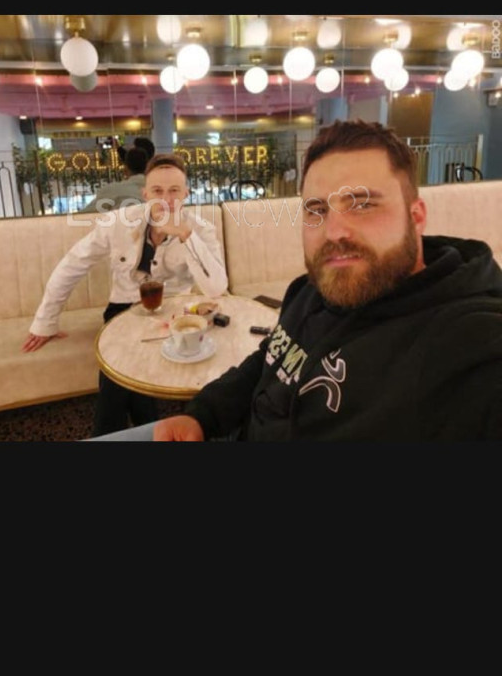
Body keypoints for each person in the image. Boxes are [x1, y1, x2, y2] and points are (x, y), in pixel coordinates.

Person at [131, 119, 501, 442]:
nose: (334, 231)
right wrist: (202, 415)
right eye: (317, 209)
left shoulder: (468, 344)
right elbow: (271, 359)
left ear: (416, 217)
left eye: (362, 204)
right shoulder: (309, 290)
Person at [22, 154, 228, 434]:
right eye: (157, 191)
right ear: (145, 194)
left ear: (186, 194)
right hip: (123, 309)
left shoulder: (201, 230)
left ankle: (127, 432)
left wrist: (186, 236)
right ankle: (135, 429)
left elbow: (216, 288)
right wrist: (45, 322)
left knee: (126, 370)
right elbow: (73, 264)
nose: (166, 199)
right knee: (118, 367)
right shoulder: (117, 222)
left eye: (174, 191)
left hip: (173, 311)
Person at [79, 146, 148, 213]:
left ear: (125, 169)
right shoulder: (152, 192)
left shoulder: (113, 191)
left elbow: (84, 215)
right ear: (147, 168)